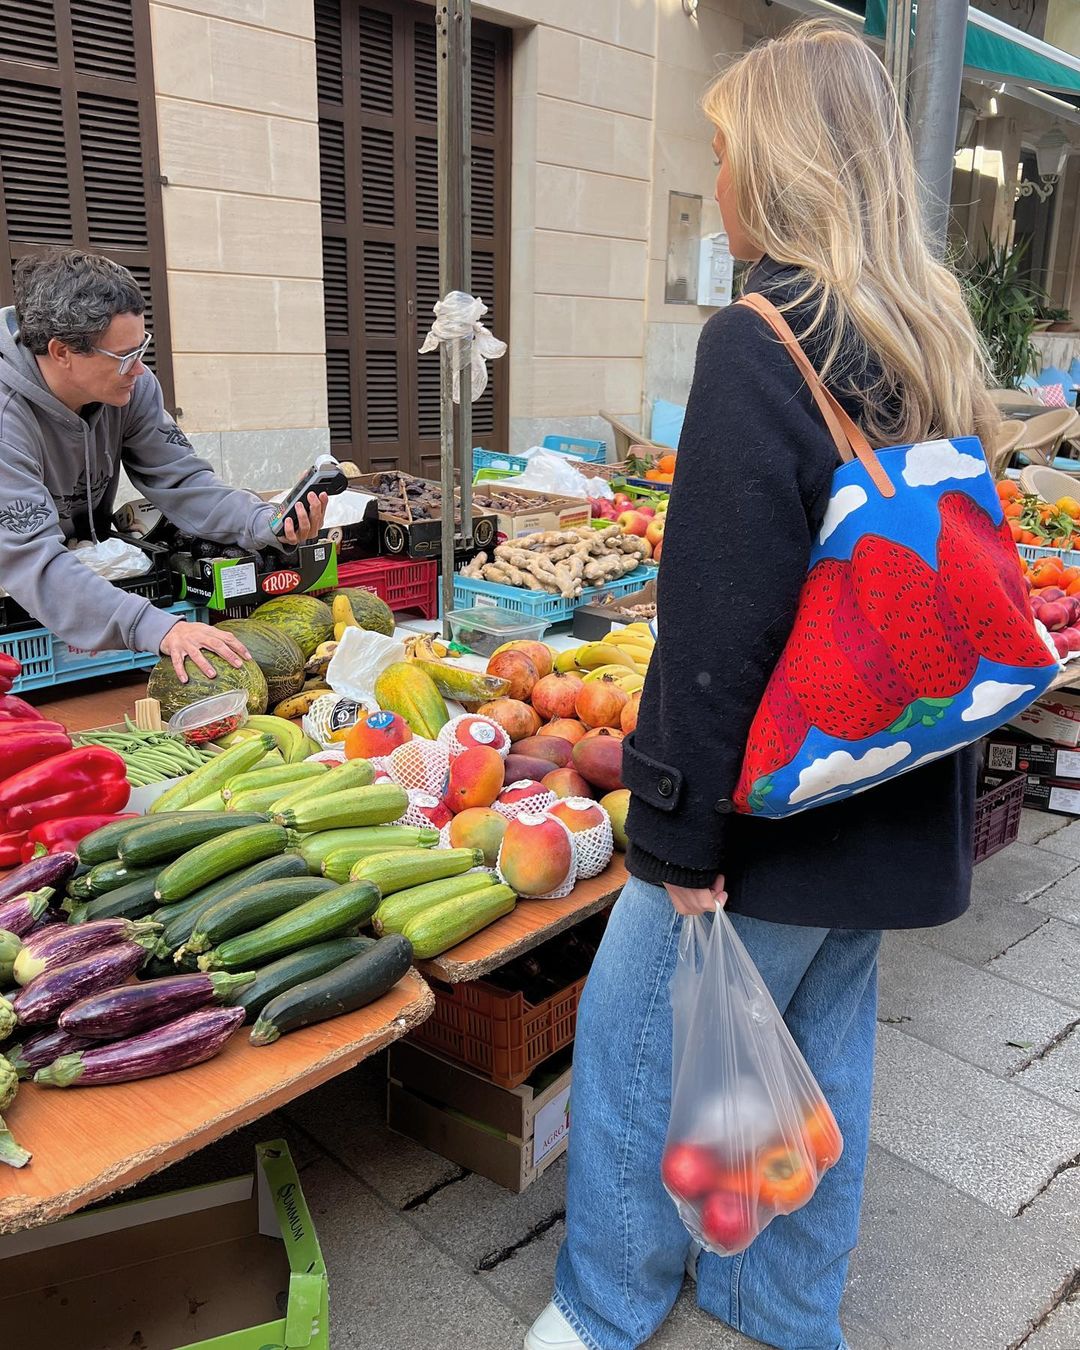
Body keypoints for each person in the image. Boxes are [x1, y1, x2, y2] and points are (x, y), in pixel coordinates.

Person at [527, 20, 998, 1350]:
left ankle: (603, 1307)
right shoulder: (927, 329)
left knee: (633, 1050)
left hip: (781, 795)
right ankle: (779, 1302)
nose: (716, 175)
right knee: (820, 1052)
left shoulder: (761, 336)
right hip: (892, 778)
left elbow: (719, 623)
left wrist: (679, 833)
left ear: (778, 165)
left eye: (726, 148)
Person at [0, 248, 327, 681]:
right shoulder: (7, 418)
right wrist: (156, 627)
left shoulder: (132, 389)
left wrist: (265, 521)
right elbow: (30, 560)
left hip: (74, 585)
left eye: (142, 348)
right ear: (62, 352)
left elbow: (182, 478)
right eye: (123, 356)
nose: (138, 369)